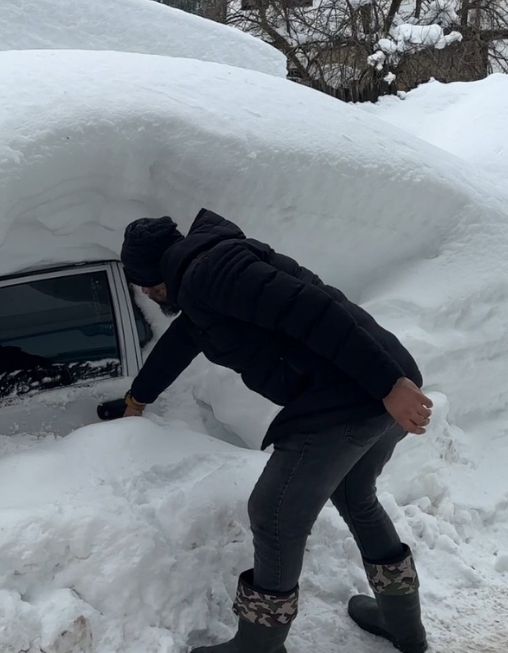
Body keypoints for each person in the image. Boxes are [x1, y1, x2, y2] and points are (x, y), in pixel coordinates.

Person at [109, 209, 433, 653]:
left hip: (357, 397)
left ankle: (257, 646)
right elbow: (178, 345)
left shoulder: (215, 272)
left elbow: (314, 310)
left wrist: (388, 386)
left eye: (146, 284)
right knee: (355, 494)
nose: (146, 293)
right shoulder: (205, 286)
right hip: (378, 386)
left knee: (273, 514)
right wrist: (136, 400)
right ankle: (403, 628)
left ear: (157, 271)